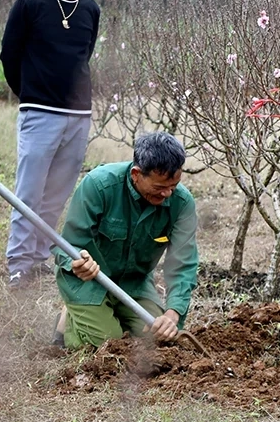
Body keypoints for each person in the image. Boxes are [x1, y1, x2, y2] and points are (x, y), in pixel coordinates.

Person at [0, 0, 101, 288]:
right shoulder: (29, 5)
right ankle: (18, 263)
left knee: (57, 192)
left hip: (79, 115)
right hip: (39, 111)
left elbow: (83, 56)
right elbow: (9, 57)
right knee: (29, 191)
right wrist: (30, 93)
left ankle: (39, 257)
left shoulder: (90, 10)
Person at [52, 132, 199, 349]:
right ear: (136, 174)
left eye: (173, 186)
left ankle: (109, 316)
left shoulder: (182, 203)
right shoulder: (98, 185)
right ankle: (68, 321)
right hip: (88, 282)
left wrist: (173, 313)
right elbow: (67, 244)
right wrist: (77, 262)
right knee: (108, 345)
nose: (167, 194)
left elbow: (183, 264)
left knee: (159, 340)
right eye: (159, 188)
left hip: (134, 284)